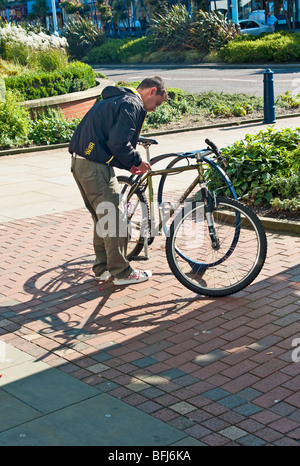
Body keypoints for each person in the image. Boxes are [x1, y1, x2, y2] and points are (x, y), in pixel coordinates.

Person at [69, 77, 168, 286]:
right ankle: (122, 273)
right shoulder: (132, 104)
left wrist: (129, 165)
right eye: (157, 103)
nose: (154, 109)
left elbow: (108, 140)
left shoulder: (116, 99)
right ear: (151, 91)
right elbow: (119, 143)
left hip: (81, 164)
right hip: (96, 168)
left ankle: (102, 268)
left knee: (102, 219)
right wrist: (137, 161)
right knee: (116, 219)